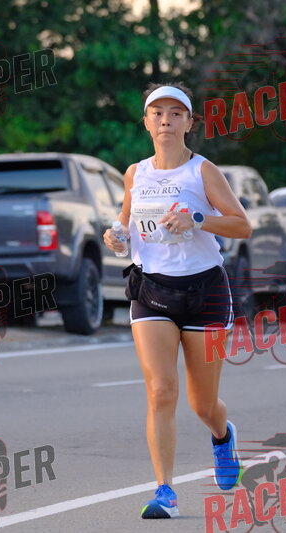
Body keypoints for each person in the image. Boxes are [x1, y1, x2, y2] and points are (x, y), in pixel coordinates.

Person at [103, 83, 252, 519]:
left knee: (202, 404)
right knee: (160, 390)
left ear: (189, 122)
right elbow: (125, 223)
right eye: (157, 113)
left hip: (206, 293)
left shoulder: (203, 172)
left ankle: (222, 436)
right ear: (146, 122)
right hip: (151, 292)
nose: (165, 120)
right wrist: (117, 237)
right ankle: (165, 490)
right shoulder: (135, 174)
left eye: (175, 113)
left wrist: (198, 218)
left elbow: (242, 226)